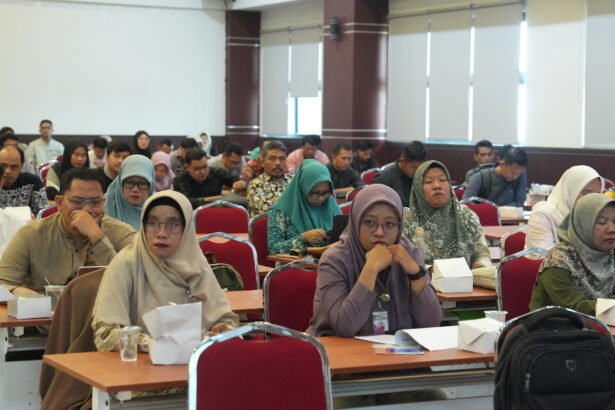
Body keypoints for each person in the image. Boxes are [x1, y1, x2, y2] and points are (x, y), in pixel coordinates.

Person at [92, 191, 238, 352]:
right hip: (140, 363)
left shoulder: (196, 264)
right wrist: (152, 343)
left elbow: (227, 322)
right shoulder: (126, 263)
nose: (161, 234)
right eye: (152, 223)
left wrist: (221, 331)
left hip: (192, 361)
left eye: (173, 224)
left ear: (186, 229)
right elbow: (105, 334)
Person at [308, 184, 442, 337]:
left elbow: (432, 322)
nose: (379, 233)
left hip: (397, 348)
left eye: (389, 224)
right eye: (370, 223)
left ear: (399, 226)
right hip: (338, 349)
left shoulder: (409, 253)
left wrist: (415, 273)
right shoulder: (334, 260)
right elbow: (345, 326)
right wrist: (371, 268)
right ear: (356, 222)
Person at [0, 168, 135, 294]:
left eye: (95, 202)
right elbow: (3, 283)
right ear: (59, 202)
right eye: (78, 201)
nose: (86, 210)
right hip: (43, 310)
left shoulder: (121, 233)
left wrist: (97, 237)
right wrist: (33, 299)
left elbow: (135, 284)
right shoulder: (31, 234)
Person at [530, 194, 615, 315]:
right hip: (557, 325)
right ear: (583, 224)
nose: (612, 229)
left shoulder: (610, 254)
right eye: (601, 222)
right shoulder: (558, 261)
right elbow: (575, 308)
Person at [404, 161, 491, 268]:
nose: (437, 186)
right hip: (423, 277)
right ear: (418, 188)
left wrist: (481, 265)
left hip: (466, 277)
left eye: (442, 180)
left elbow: (482, 253)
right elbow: (404, 261)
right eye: (428, 181)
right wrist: (428, 271)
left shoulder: (466, 215)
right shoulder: (408, 223)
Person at [268, 159, 341, 255]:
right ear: (303, 188)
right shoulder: (280, 211)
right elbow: (274, 249)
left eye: (326, 192)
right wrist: (303, 238)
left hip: (331, 260)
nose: (321, 198)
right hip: (295, 263)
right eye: (315, 193)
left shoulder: (330, 204)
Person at [525, 165, 603, 252]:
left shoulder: (595, 218)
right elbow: (542, 254)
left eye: (597, 195)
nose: (592, 200)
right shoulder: (542, 214)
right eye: (585, 194)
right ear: (570, 191)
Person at [173, 148, 242, 209]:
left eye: (205, 167)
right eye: (197, 169)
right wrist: (210, 199)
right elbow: (183, 201)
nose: (202, 172)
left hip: (216, 211)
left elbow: (236, 180)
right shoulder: (180, 180)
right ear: (187, 167)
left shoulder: (216, 172)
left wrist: (238, 184)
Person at [463, 146, 528, 207]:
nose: (515, 177)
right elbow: (466, 204)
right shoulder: (479, 177)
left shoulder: (520, 174)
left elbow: (519, 203)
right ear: (502, 164)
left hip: (509, 215)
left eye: (519, 173)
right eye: (512, 173)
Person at [104, 155, 154, 230]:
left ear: (151, 185)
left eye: (142, 183)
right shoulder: (104, 207)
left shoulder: (160, 209)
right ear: (120, 183)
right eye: (129, 182)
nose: (135, 189)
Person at [373, 141, 427, 208]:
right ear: (402, 161)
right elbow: (377, 206)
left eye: (420, 167)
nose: (417, 171)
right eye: (414, 168)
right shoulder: (383, 178)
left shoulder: (420, 176)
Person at [247, 140, 292, 217]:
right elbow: (266, 212)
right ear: (262, 162)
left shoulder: (293, 180)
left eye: (282, 158)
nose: (278, 163)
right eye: (272, 158)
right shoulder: (255, 184)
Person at [0, 145, 48, 215]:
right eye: (3, 166)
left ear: (21, 166)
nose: (8, 171)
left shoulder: (32, 181)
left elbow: (43, 213)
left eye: (14, 167)